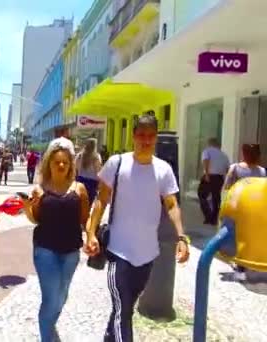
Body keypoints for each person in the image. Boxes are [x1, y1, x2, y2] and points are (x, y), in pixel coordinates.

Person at [84, 114, 190, 342]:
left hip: (146, 256)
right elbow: (101, 200)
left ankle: (109, 337)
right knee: (123, 309)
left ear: (156, 139)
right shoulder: (117, 163)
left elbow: (171, 204)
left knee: (125, 308)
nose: (145, 140)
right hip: (117, 252)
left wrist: (181, 236)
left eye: (150, 136)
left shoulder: (163, 169)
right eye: (141, 135)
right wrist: (91, 233)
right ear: (133, 136)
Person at [21, 138, 89, 342]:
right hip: (45, 250)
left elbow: (84, 220)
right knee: (51, 299)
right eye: (56, 162)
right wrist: (27, 207)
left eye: (65, 162)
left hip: (70, 252)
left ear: (70, 165)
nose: (60, 165)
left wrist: (93, 237)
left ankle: (50, 331)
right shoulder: (40, 190)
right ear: (49, 163)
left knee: (62, 297)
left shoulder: (79, 189)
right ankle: (47, 337)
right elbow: (36, 218)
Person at [223, 143, 266, 282]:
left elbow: (227, 187)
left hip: (238, 209)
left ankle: (241, 265)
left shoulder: (235, 168)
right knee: (249, 236)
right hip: (254, 209)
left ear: (243, 153)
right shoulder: (262, 172)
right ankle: (247, 263)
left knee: (238, 236)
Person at [197, 138, 230, 225]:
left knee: (202, 194)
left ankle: (208, 216)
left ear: (210, 143)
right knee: (216, 198)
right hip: (219, 178)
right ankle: (214, 219)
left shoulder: (207, 151)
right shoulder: (224, 155)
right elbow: (227, 169)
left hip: (210, 176)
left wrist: (207, 174)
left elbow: (205, 161)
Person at [75, 138, 102, 204]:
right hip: (92, 183)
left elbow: (75, 168)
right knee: (88, 203)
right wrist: (100, 184)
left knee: (79, 202)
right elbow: (98, 171)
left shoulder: (79, 155)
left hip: (80, 180)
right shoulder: (96, 157)